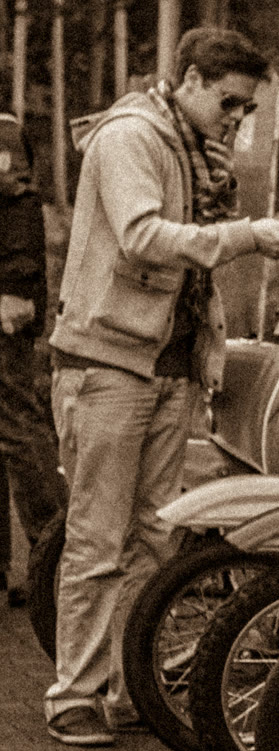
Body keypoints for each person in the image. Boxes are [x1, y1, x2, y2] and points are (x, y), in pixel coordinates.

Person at [45, 26, 279, 746]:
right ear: (189, 79)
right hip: (108, 364)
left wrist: (209, 343)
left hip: (167, 366)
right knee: (99, 538)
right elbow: (142, 235)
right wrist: (248, 235)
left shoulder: (193, 152)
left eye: (246, 108)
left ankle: (128, 683)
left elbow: (188, 264)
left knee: (154, 540)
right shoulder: (130, 137)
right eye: (229, 102)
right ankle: (73, 694)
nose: (236, 118)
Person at [0, 112, 65, 609]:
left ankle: (55, 555)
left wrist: (16, 290)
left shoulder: (3, 132)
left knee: (17, 426)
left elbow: (16, 195)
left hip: (5, 303)